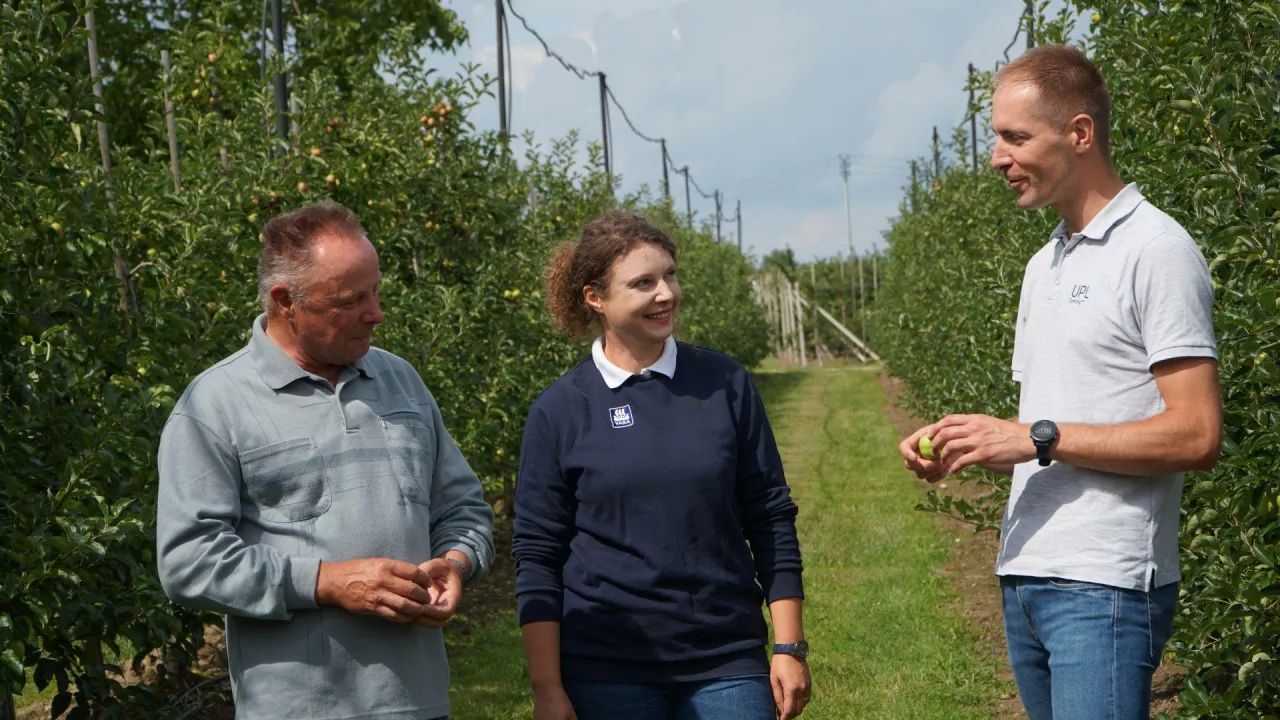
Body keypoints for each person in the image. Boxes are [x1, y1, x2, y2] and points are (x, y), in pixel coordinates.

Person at [898, 45, 1222, 720]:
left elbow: (1196, 433)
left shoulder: (1155, 251)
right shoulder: (1043, 263)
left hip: (1104, 583)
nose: (996, 157)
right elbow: (1058, 416)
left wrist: (1036, 438)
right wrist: (969, 441)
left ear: (1079, 133)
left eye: (1016, 137)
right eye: (996, 138)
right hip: (1026, 573)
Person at [156, 201, 495, 720]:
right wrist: (326, 582)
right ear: (285, 301)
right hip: (298, 707)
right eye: (350, 300)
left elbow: (463, 507)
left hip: (418, 701)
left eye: (376, 291)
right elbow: (188, 561)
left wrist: (456, 562)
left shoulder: (401, 381)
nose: (376, 312)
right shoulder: (215, 405)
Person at [513, 212, 811, 720]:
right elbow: (538, 553)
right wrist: (547, 687)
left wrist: (788, 648)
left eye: (670, 275)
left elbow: (769, 516)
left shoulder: (724, 384)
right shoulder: (561, 409)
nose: (666, 294)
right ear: (595, 298)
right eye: (643, 283)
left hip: (727, 659)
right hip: (605, 667)